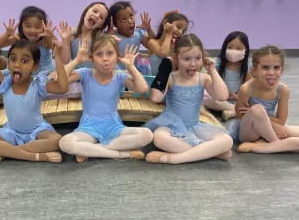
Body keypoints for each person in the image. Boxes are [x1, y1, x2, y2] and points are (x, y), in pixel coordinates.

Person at [0, 21, 69, 165]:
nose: (17, 64)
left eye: (24, 61)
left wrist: (58, 59)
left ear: (35, 66)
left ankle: (6, 152)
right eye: (13, 59)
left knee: (57, 140)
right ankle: (34, 156)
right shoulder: (4, 79)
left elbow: (63, 88)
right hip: (11, 131)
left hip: (37, 130)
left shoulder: (37, 83)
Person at [59, 35, 153, 162]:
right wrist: (76, 60)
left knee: (146, 134)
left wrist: (131, 66)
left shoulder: (120, 76)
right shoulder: (85, 73)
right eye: (99, 54)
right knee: (65, 142)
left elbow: (142, 89)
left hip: (114, 127)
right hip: (88, 128)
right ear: (92, 58)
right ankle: (122, 154)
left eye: (110, 53)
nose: (105, 59)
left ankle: (90, 150)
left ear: (117, 55)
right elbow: (59, 79)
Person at [145, 34, 233, 164]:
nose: (193, 64)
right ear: (176, 59)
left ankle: (174, 158)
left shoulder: (203, 78)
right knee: (159, 138)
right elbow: (155, 97)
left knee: (227, 140)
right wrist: (165, 69)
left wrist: (213, 70)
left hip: (195, 126)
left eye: (198, 58)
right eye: (186, 59)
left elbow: (222, 96)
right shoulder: (171, 78)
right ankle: (209, 152)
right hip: (170, 125)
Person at [235, 45, 299, 153]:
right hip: (249, 132)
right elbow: (240, 116)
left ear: (282, 70)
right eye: (265, 67)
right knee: (257, 110)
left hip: (271, 128)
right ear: (254, 71)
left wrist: (270, 123)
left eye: (276, 68)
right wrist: (257, 115)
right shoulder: (247, 89)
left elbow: (281, 121)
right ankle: (278, 145)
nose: (271, 73)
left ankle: (259, 146)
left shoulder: (282, 90)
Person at [0, 6, 57, 76]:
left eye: (37, 27)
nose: (32, 30)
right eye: (28, 26)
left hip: (44, 74)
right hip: (21, 74)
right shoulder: (18, 37)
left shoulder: (45, 39)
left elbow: (58, 50)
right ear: (21, 26)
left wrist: (50, 37)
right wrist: (6, 34)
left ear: (44, 26)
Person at [203, 31, 251, 121]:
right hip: (218, 98)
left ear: (246, 50)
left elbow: (249, 88)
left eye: (239, 48)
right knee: (204, 97)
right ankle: (233, 110)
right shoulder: (217, 63)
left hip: (237, 99)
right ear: (224, 47)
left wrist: (238, 97)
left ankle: (231, 110)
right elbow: (208, 84)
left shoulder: (248, 67)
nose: (234, 51)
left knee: (254, 102)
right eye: (230, 47)